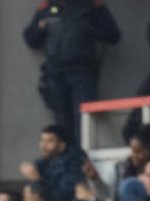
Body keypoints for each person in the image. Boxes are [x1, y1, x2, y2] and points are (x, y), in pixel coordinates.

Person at [23, 0, 121, 147]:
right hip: (55, 74)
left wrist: (88, 29)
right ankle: (67, 158)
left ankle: (83, 156)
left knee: (84, 121)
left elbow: (113, 35)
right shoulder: (47, 6)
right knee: (62, 124)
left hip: (82, 73)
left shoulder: (92, 5)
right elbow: (31, 39)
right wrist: (40, 28)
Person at [20, 125, 86, 201]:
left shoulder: (72, 165)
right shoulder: (41, 164)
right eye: (42, 141)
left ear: (62, 146)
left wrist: (37, 180)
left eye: (50, 142)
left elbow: (63, 199)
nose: (43, 146)